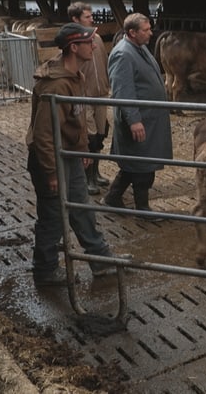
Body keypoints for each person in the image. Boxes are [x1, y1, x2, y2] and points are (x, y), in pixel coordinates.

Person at [26, 23, 121, 286]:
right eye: (89, 42)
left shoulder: (75, 75)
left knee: (81, 209)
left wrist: (82, 148)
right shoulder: (54, 86)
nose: (94, 46)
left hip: (68, 154)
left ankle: (100, 260)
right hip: (51, 158)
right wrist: (52, 172)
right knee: (53, 216)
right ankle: (44, 271)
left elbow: (75, 119)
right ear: (74, 47)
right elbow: (44, 134)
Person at [103, 13, 172, 215]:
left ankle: (112, 198)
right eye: (146, 30)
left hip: (150, 119)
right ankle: (143, 208)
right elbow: (123, 90)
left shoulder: (139, 48)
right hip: (140, 120)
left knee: (135, 163)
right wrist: (134, 120)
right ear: (132, 32)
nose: (151, 33)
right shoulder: (123, 54)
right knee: (142, 166)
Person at [69, 1, 111, 195]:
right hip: (84, 96)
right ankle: (87, 178)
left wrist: (106, 87)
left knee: (101, 135)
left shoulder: (98, 39)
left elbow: (104, 64)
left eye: (91, 15)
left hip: (101, 94)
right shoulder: (73, 43)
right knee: (89, 138)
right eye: (87, 16)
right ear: (75, 19)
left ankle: (96, 173)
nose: (92, 19)